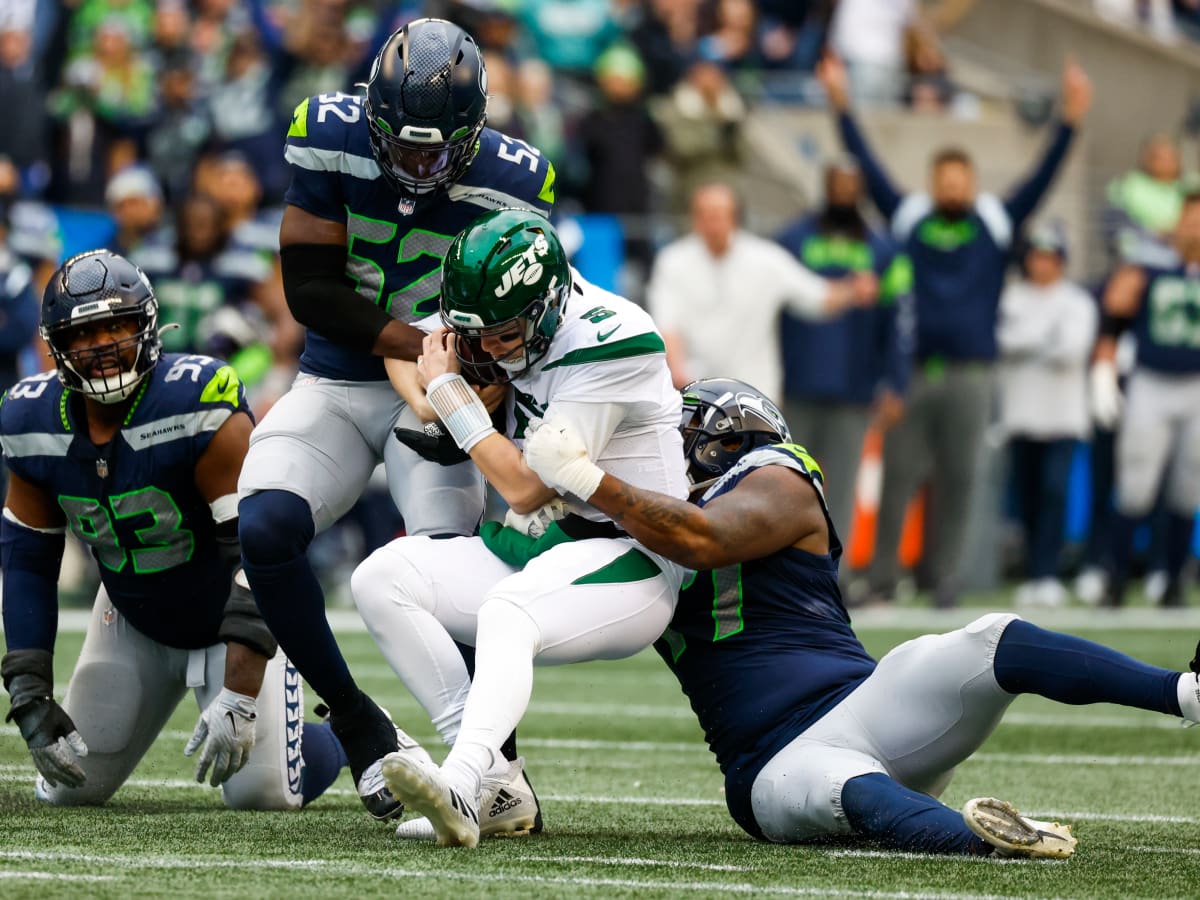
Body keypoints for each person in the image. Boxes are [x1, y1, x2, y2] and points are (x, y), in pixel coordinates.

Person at [519, 376, 1200, 858]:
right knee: (838, 786)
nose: (662, 450)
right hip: (771, 764)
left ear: (723, 441)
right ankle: (990, 841)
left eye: (680, 436)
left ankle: (1185, 692)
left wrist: (590, 482)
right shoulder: (628, 524)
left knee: (991, 639)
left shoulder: (778, 477)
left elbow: (704, 538)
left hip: (868, 704)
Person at [235, 18, 555, 820]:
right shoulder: (325, 131)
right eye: (402, 147)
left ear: (476, 130)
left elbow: (525, 318)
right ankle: (360, 724)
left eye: (437, 151)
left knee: (452, 575)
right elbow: (309, 289)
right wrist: (423, 346)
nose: (417, 167)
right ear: (372, 114)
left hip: (445, 401)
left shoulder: (518, 180)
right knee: (265, 524)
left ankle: (496, 773)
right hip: (340, 379)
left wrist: (474, 381)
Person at [349, 209, 688, 848]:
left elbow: (529, 486)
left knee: (508, 611)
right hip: (545, 545)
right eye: (479, 334)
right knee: (382, 577)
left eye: (505, 334)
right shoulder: (493, 310)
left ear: (550, 302)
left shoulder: (613, 337)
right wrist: (431, 392)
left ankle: (458, 779)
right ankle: (495, 784)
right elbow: (405, 345)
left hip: (633, 554)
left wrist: (449, 395)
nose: (492, 348)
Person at [0, 250, 345, 809]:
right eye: (85, 333)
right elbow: (26, 564)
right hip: (132, 616)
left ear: (148, 326)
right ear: (57, 345)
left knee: (262, 794)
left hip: (225, 616)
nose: (105, 345)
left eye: (118, 325)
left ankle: (347, 736)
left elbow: (258, 555)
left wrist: (238, 689)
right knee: (69, 789)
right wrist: (29, 687)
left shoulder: (192, 402)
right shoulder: (29, 421)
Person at [818, 52, 1092, 608]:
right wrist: (841, 104)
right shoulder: (909, 215)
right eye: (944, 178)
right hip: (913, 371)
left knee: (961, 479)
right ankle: (884, 576)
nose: (952, 186)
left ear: (972, 183)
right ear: (932, 182)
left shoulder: (993, 219)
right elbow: (867, 169)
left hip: (973, 373)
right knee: (899, 477)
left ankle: (945, 579)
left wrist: (1069, 122)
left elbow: (1041, 180)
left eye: (960, 178)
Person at [775, 156, 912, 547]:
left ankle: (837, 578)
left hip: (855, 387)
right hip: (797, 386)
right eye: (837, 185)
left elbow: (899, 321)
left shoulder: (884, 249)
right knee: (788, 487)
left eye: (851, 187)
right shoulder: (792, 240)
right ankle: (787, 577)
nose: (843, 194)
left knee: (841, 490)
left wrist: (896, 383)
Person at [647, 181, 878, 401]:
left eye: (718, 214)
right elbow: (668, 326)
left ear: (735, 217)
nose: (712, 223)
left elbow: (816, 298)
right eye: (704, 215)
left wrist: (853, 290)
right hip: (697, 392)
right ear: (694, 218)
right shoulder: (673, 262)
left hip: (756, 395)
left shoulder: (766, 260)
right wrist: (680, 377)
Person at [1092, 192, 1200, 607]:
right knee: (1136, 486)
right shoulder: (1149, 262)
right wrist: (1103, 367)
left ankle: (1174, 582)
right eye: (1189, 219)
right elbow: (1115, 308)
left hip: (1197, 386)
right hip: (1152, 381)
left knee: (1189, 489)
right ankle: (1115, 578)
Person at [996, 223, 1096, 607]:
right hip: (1022, 415)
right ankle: (1034, 573)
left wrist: (1029, 342)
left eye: (1050, 257)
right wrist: (1043, 338)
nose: (1042, 264)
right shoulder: (1013, 298)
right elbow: (1003, 341)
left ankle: (1049, 572)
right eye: (1037, 256)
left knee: (1054, 492)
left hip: (1063, 417)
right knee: (1027, 496)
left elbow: (1071, 350)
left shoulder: (1077, 301)